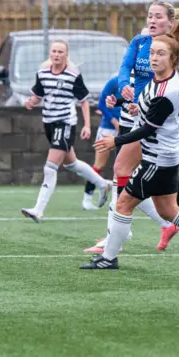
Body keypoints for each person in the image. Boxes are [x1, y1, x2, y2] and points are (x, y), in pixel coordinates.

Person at [81, 5, 179, 270]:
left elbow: (148, 129)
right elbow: (175, 106)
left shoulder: (166, 89)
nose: (153, 58)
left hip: (158, 160)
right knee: (168, 210)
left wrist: (114, 141)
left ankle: (109, 257)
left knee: (125, 202)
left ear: (173, 59)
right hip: (162, 157)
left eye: (160, 54)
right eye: (151, 52)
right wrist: (130, 106)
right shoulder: (160, 81)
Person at [21, 39, 111, 223]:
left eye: (60, 52)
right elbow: (38, 96)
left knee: (50, 167)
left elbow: (84, 101)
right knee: (72, 164)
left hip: (65, 123)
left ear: (66, 55)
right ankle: (103, 184)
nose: (56, 55)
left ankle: (38, 210)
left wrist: (86, 125)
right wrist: (31, 102)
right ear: (50, 54)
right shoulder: (43, 73)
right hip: (49, 123)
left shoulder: (72, 74)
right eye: (54, 51)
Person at [81, 75, 121, 210]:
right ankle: (87, 199)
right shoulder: (115, 81)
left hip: (128, 129)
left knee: (127, 165)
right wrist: (114, 122)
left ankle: (124, 200)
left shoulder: (141, 82)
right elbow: (101, 105)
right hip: (108, 129)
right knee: (99, 165)